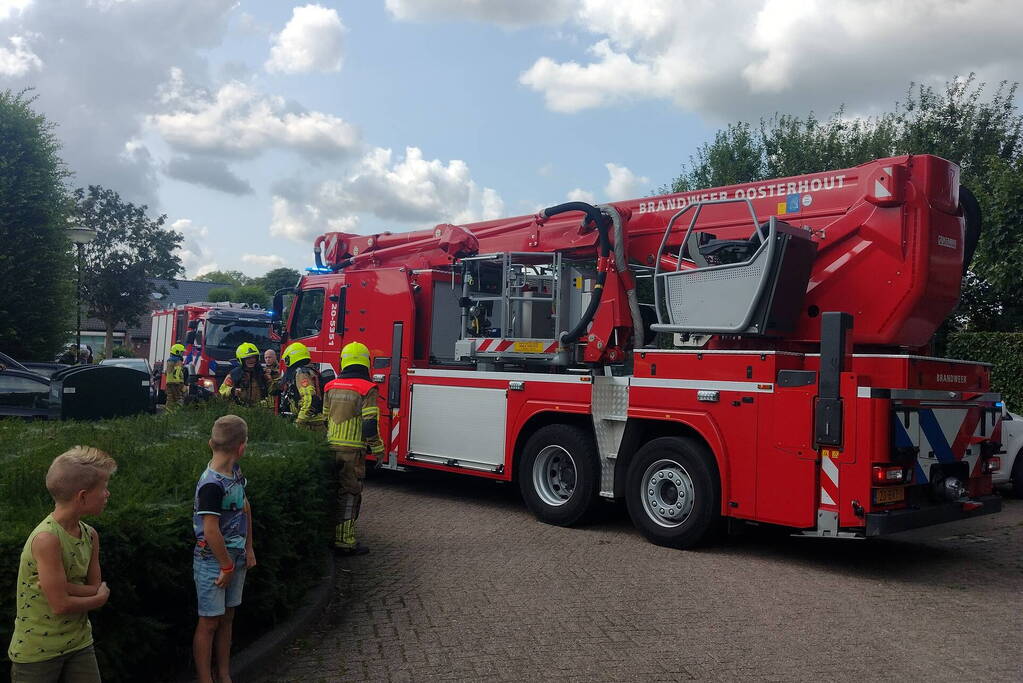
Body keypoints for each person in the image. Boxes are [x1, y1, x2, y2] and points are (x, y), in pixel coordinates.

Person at [8, 446, 116, 682]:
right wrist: (99, 597)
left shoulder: (90, 535)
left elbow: (92, 584)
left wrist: (64, 587)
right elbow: (60, 605)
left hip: (79, 644)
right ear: (83, 496)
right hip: (38, 652)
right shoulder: (47, 539)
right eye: (104, 488)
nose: (107, 494)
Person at [192, 415, 255, 683]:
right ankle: (206, 679)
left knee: (227, 617)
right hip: (213, 563)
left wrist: (249, 548)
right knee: (209, 622)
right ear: (242, 447)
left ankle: (225, 674)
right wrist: (226, 566)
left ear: (211, 443)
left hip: (236, 558)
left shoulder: (236, 473)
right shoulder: (211, 484)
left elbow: (245, 507)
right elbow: (210, 530)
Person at [323, 341, 384, 554]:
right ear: (366, 362)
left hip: (330, 448)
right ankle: (345, 542)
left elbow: (324, 417)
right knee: (350, 494)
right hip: (352, 453)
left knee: (331, 490)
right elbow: (369, 424)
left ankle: (327, 535)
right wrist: (377, 448)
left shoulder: (330, 386)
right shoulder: (368, 388)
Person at [280, 342, 326, 431]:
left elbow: (309, 399)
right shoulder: (309, 370)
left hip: (310, 424)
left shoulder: (301, 374)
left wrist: (300, 421)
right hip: (314, 421)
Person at [164, 343, 187, 411]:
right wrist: (181, 384)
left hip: (169, 382)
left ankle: (168, 414)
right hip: (177, 383)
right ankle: (177, 413)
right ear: (177, 352)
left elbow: (167, 372)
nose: (182, 354)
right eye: (181, 352)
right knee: (178, 398)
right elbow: (178, 371)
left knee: (170, 399)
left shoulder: (169, 361)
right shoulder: (178, 361)